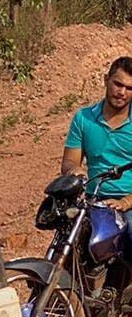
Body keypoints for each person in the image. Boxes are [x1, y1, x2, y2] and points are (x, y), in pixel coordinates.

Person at [62, 57, 132, 222]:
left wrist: (125, 202)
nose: (122, 92)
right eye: (118, 84)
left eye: (129, 88)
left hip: (127, 204)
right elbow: (69, 162)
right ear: (106, 80)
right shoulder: (83, 118)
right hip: (93, 199)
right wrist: (74, 171)